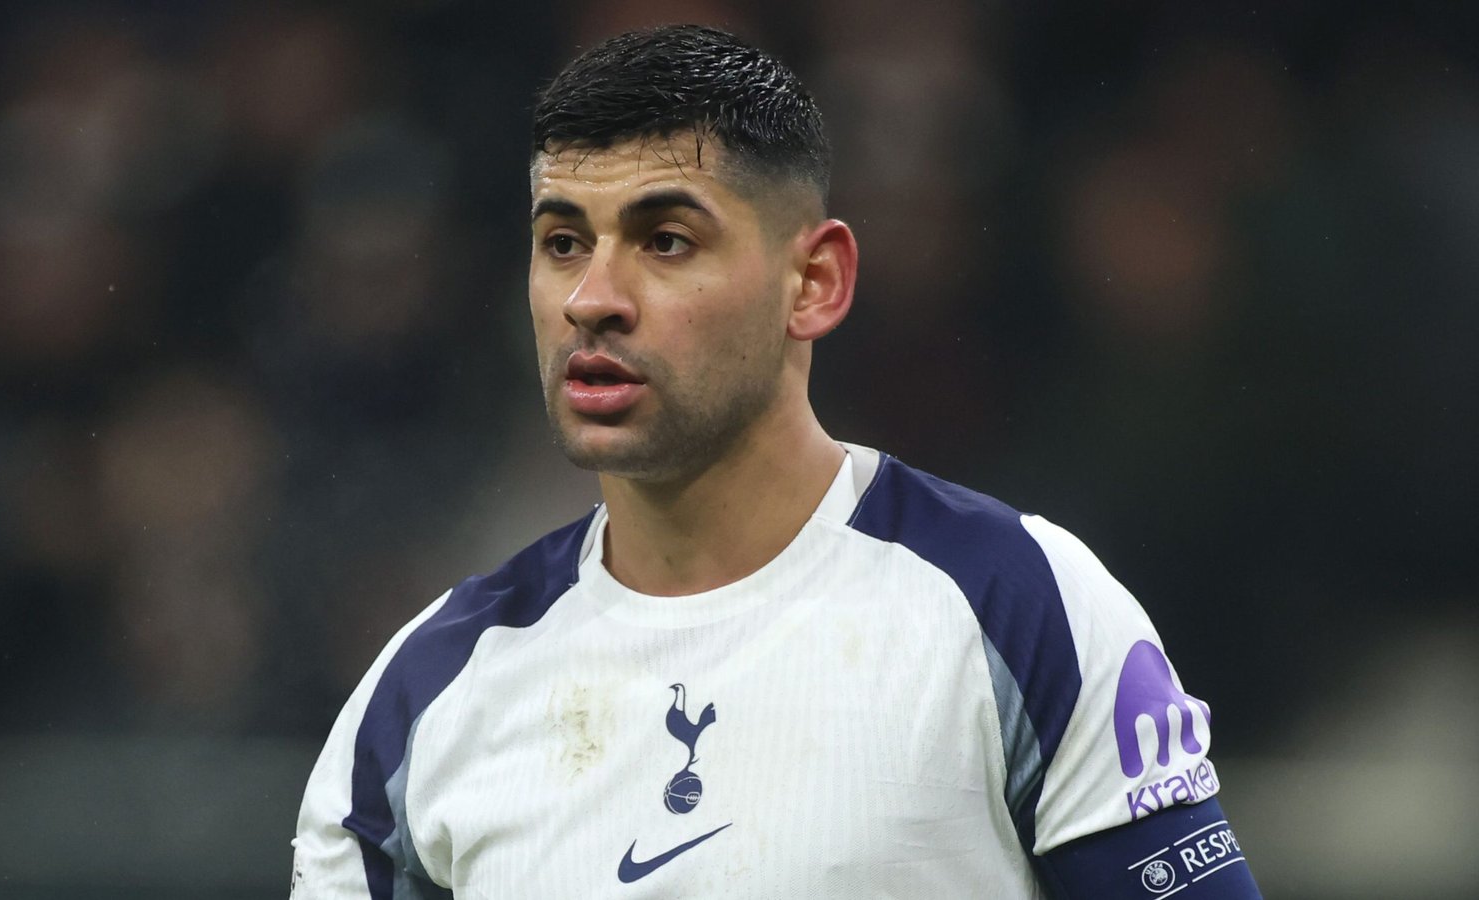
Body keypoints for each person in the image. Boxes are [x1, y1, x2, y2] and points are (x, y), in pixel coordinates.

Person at [290, 24, 1262, 899]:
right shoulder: (422, 696)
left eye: (664, 240)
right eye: (562, 242)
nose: (592, 297)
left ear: (815, 280)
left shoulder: (1019, 608)